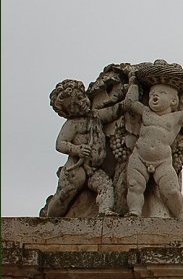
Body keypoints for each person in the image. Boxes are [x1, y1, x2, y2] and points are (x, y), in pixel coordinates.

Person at [41, 79, 122, 217]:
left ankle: (105, 211)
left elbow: (113, 112)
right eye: (73, 105)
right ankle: (49, 218)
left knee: (105, 186)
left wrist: (129, 98)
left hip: (93, 169)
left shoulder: (95, 116)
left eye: (80, 97)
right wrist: (77, 149)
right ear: (67, 112)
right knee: (64, 196)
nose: (80, 103)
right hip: (75, 169)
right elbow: (60, 143)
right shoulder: (72, 124)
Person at [125, 73, 183, 217]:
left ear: (173, 100)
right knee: (134, 185)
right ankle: (134, 211)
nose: (155, 96)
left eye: (161, 93)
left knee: (171, 190)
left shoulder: (175, 118)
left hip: (162, 161)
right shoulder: (146, 112)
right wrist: (133, 85)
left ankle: (179, 213)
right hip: (139, 156)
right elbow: (131, 103)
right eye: (152, 93)